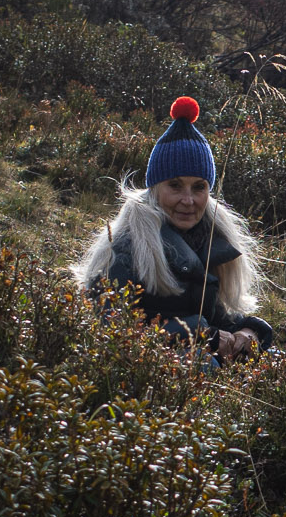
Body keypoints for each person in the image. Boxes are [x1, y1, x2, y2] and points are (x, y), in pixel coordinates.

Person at [68, 96, 275, 361]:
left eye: (199, 187)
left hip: (176, 365)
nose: (188, 200)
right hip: (138, 372)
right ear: (154, 189)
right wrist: (202, 334)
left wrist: (249, 331)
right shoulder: (125, 247)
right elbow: (110, 330)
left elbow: (214, 315)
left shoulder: (209, 238)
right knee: (205, 365)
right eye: (175, 186)